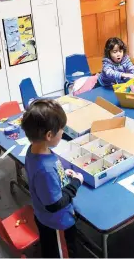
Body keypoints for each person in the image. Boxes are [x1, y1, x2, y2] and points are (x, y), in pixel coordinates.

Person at [22, 99, 84, 258]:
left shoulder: (34, 150)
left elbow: (47, 182)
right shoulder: (45, 170)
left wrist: (62, 176)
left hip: (44, 217)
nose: (63, 132)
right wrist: (75, 184)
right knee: (63, 253)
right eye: (61, 129)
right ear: (49, 135)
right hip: (58, 223)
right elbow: (54, 205)